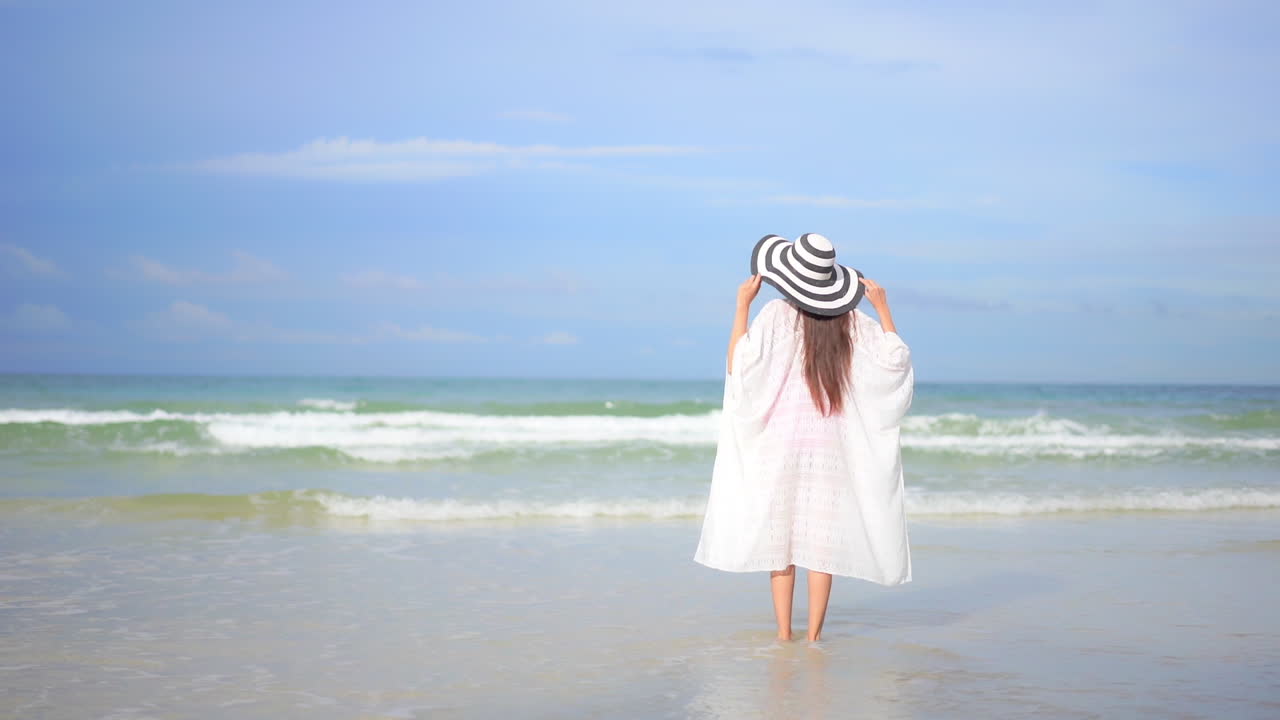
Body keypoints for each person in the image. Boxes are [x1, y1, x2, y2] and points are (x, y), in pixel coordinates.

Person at [693, 233, 915, 643]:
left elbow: (739, 365)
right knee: (821, 545)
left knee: (781, 541)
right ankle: (814, 638)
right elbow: (894, 361)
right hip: (831, 447)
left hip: (780, 443)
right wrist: (883, 309)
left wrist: (742, 306)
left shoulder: (775, 314)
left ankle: (783, 636)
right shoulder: (851, 322)